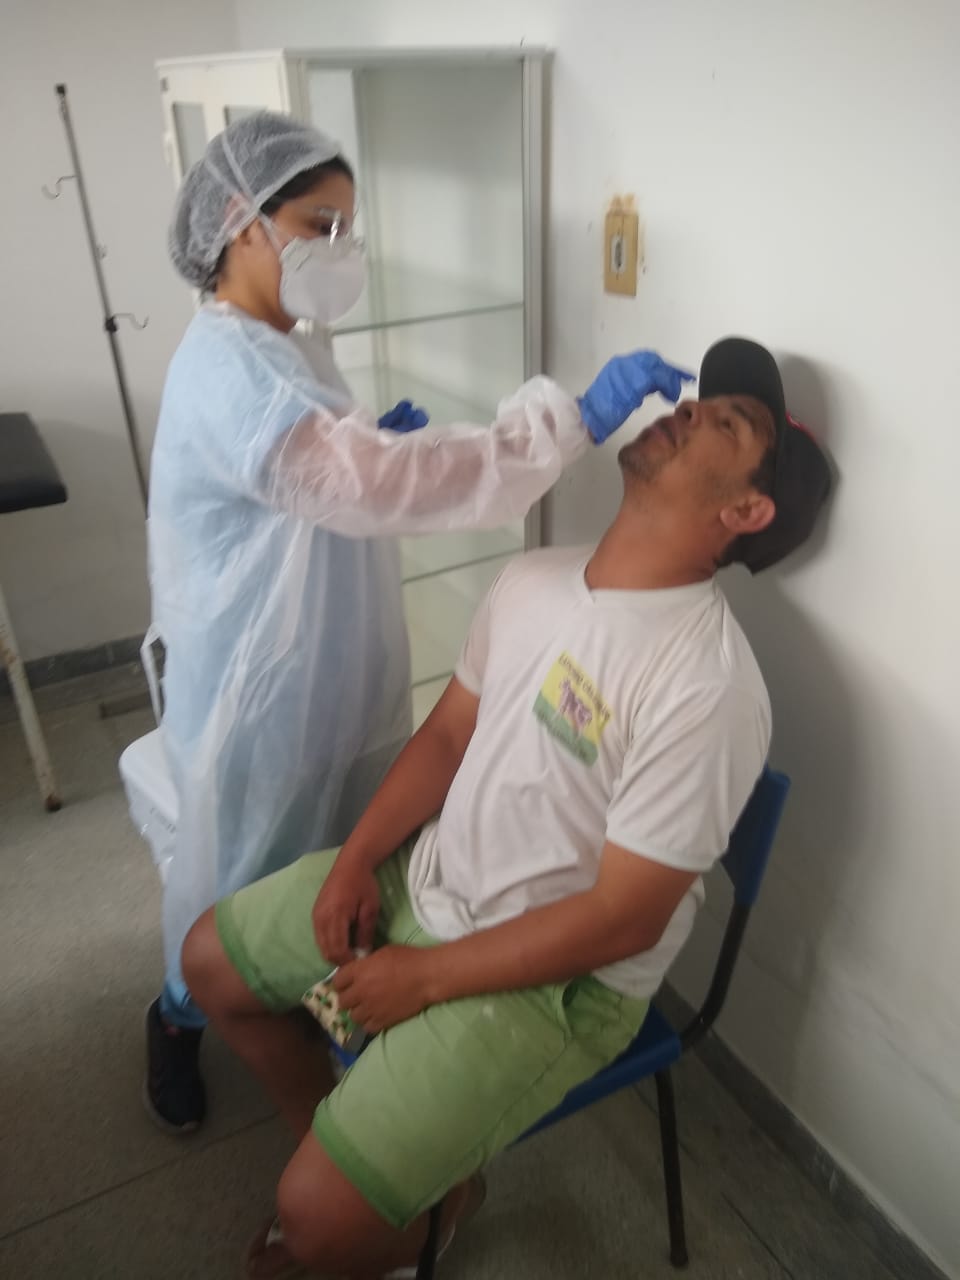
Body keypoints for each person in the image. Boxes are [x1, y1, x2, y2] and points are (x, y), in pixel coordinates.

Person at [182, 336, 831, 1278]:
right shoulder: (536, 578)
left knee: (314, 1221)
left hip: (560, 978)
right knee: (210, 963)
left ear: (745, 511)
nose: (686, 409)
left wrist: (426, 979)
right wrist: (359, 857)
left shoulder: (708, 686)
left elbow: (624, 919)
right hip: (433, 874)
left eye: (724, 424)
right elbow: (449, 738)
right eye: (699, 403)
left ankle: (412, 1209)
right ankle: (367, 1171)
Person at [145, 108, 692, 1134]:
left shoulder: (285, 341)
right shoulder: (228, 367)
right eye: (319, 225)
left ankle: (299, 996)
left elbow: (341, 471)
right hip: (259, 686)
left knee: (327, 856)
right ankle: (181, 1011)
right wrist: (567, 422)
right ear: (238, 221)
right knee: (242, 874)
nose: (339, 250)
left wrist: (364, 441)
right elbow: (370, 484)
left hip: (327, 654)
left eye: (349, 228)